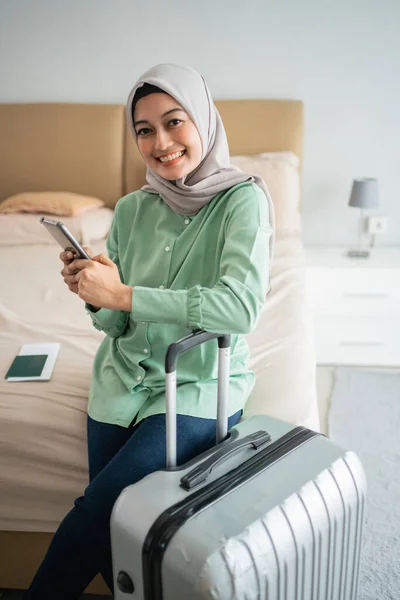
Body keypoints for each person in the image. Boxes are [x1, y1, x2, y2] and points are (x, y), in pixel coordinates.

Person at [26, 63, 274, 599]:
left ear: (204, 121)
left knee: (103, 510)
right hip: (120, 384)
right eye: (144, 130)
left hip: (197, 383)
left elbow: (240, 308)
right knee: (116, 531)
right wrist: (97, 293)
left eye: (174, 122)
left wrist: (124, 294)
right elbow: (117, 324)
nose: (160, 143)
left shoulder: (244, 202)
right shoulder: (133, 209)